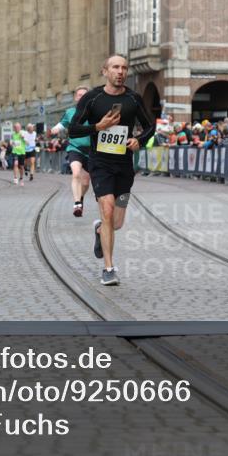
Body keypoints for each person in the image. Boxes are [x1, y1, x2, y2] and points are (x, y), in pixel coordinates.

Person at [68, 55, 155, 286]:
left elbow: (150, 126)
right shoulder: (92, 98)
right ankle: (109, 268)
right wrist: (98, 126)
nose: (120, 72)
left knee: (115, 223)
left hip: (124, 166)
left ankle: (100, 231)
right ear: (105, 71)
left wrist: (139, 141)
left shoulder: (133, 99)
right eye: (115, 67)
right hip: (100, 164)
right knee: (106, 211)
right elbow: (73, 130)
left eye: (124, 68)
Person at [52, 85, 93, 217]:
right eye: (79, 95)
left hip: (91, 150)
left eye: (84, 95)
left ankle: (80, 198)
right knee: (76, 174)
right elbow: (62, 123)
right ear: (76, 97)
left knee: (86, 182)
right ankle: (77, 203)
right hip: (75, 148)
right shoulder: (70, 112)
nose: (82, 97)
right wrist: (56, 128)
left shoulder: (94, 112)